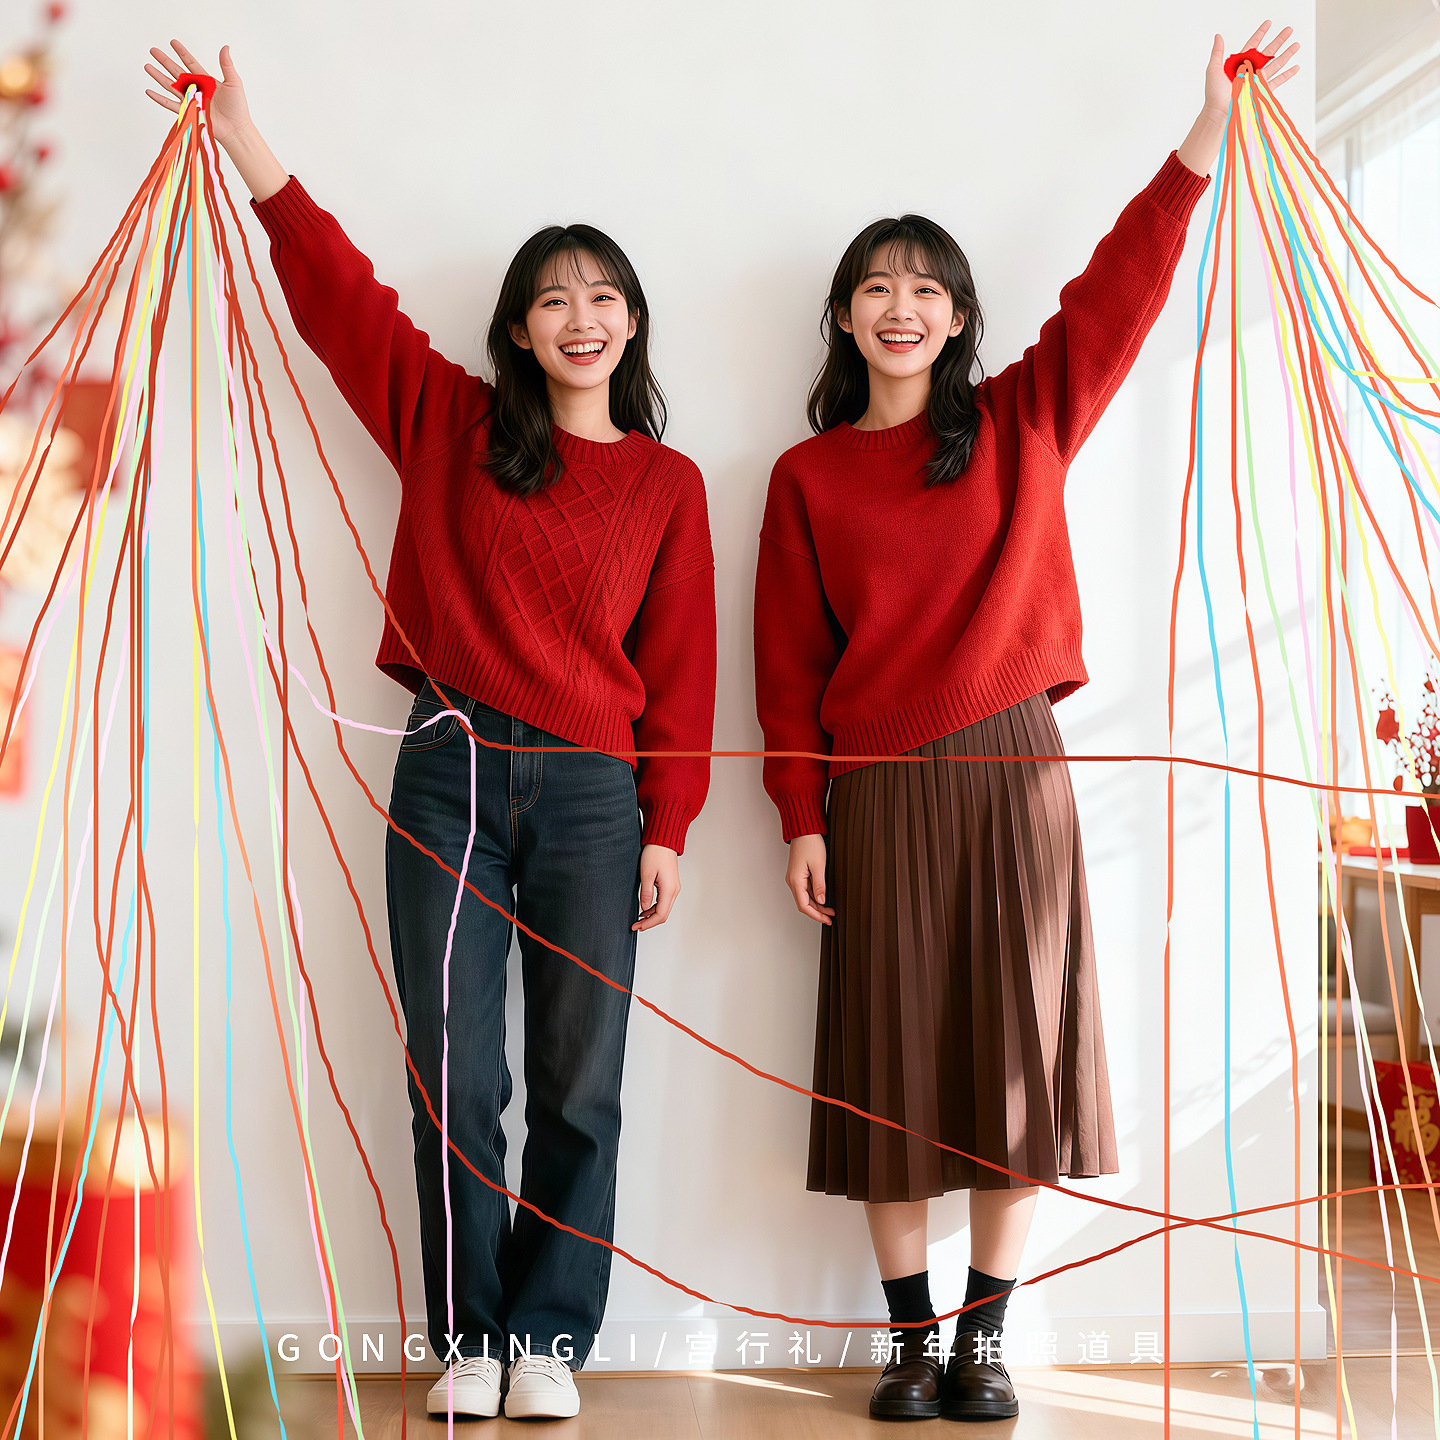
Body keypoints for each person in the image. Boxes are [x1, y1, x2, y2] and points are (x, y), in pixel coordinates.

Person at [145, 41, 717, 1423]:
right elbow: (340, 297)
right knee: (453, 1071)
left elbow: (683, 668)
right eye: (550, 301)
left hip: (593, 798)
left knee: (584, 1085)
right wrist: (248, 146)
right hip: (450, 772)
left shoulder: (667, 484)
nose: (578, 318)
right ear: (518, 330)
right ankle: (469, 1335)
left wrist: (673, 827)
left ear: (631, 323)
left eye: (601, 298)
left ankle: (550, 1346)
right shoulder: (446, 423)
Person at [752, 24, 1299, 1424]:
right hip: (873, 791)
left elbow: (1122, 291)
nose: (899, 307)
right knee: (886, 1084)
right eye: (875, 288)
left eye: (924, 288)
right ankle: (909, 1344)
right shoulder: (808, 477)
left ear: (959, 315)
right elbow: (784, 663)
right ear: (843, 316)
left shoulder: (1024, 420)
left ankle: (989, 1342)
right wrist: (802, 818)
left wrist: (1204, 140)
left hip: (1011, 778)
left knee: (1009, 1077)